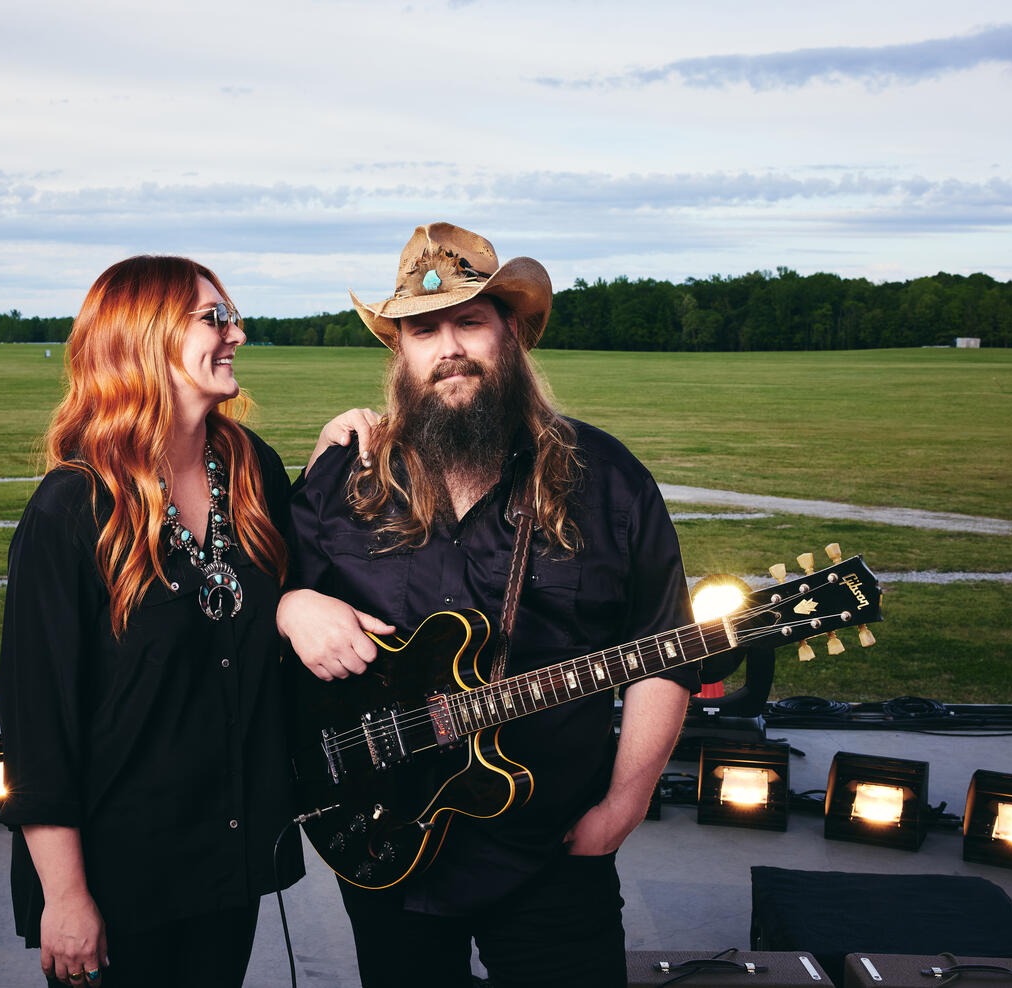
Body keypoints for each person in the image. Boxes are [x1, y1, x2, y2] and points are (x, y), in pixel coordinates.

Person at [277, 223, 701, 988]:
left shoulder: (607, 481)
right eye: (423, 328)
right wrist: (292, 605)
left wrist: (623, 808)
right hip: (384, 842)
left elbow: (663, 648)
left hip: (555, 846)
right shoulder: (346, 476)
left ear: (511, 333)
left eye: (469, 321)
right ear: (399, 351)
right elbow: (254, 604)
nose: (449, 347)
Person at [0, 256, 367, 987]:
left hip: (226, 859)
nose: (238, 333)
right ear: (146, 337)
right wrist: (65, 897)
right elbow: (37, 730)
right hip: (116, 877)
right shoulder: (71, 510)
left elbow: (286, 595)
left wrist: (331, 457)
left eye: (231, 315)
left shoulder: (252, 468)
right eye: (214, 318)